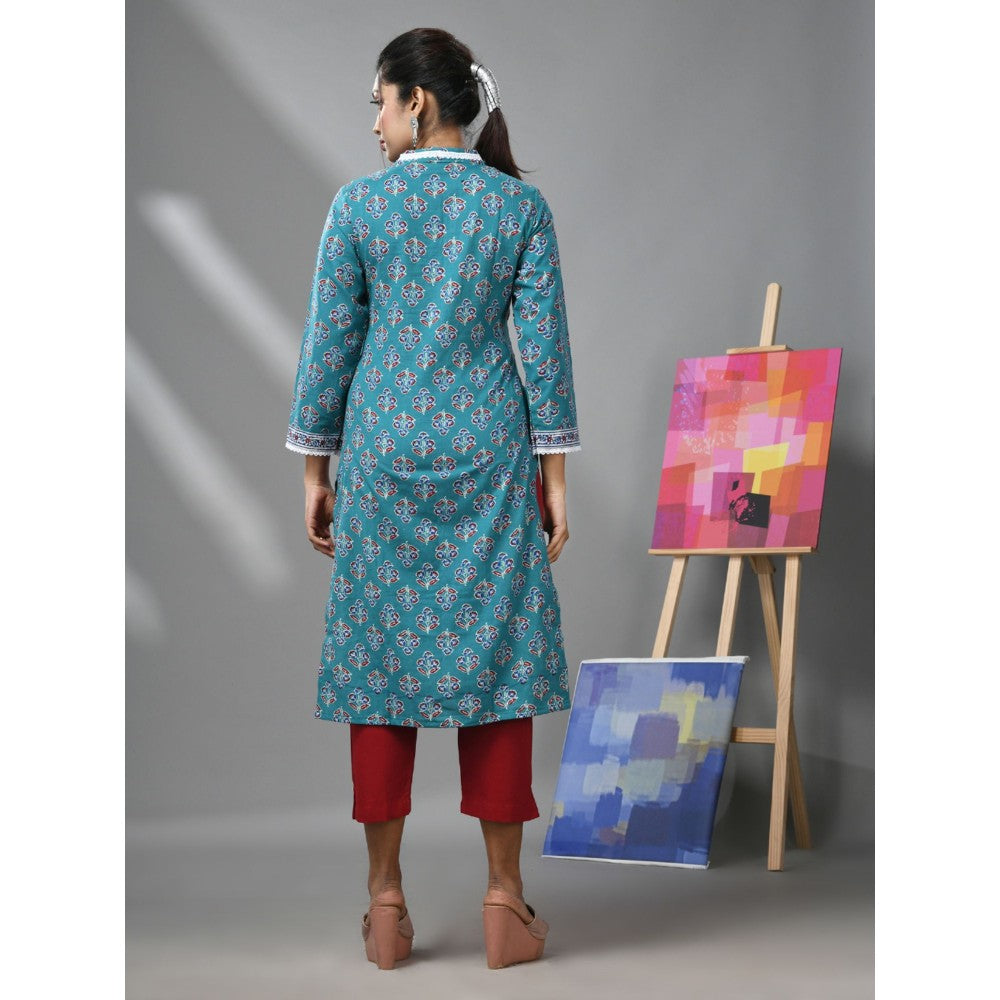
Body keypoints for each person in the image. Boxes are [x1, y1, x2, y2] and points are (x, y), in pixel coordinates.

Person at [285, 27, 581, 971]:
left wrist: (315, 472)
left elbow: (329, 344)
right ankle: (505, 899)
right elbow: (545, 351)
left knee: (379, 669)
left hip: (381, 457)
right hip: (490, 457)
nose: (374, 122)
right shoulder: (518, 207)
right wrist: (555, 482)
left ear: (417, 101)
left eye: (379, 101)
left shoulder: (358, 207)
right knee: (500, 664)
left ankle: (385, 904)